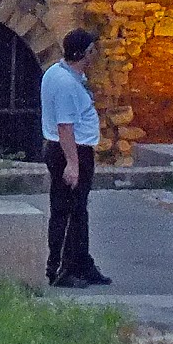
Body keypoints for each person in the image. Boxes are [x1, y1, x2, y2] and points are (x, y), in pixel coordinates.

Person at [41, 27, 111, 289]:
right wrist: (73, 163)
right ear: (83, 54)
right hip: (70, 150)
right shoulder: (67, 84)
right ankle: (60, 268)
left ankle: (81, 261)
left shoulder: (59, 73)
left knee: (78, 210)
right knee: (67, 210)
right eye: (92, 50)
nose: (94, 55)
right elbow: (65, 127)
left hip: (72, 147)